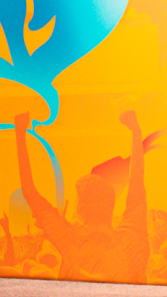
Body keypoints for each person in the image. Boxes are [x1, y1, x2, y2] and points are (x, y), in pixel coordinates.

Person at [12, 111, 149, 281]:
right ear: (110, 205)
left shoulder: (69, 240)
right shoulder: (129, 237)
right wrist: (136, 132)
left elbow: (29, 192)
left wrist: (20, 134)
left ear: (81, 208)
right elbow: (136, 181)